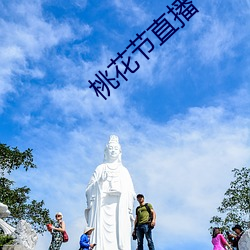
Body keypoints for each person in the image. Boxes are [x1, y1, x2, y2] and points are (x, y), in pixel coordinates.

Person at [85, 135, 136, 250]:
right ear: (106, 151)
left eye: (115, 149)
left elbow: (131, 193)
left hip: (119, 209)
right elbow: (88, 190)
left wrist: (122, 192)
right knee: (100, 237)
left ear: (120, 152)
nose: (113, 151)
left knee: (119, 237)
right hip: (101, 208)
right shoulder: (100, 169)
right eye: (111, 148)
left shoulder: (124, 171)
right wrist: (100, 181)